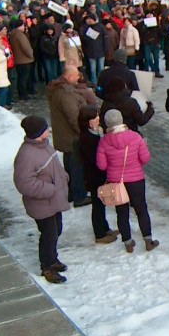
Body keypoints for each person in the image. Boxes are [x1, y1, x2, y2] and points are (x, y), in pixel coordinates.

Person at [13, 116, 70, 284]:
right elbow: (24, 183)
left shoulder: (43, 145)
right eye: (45, 127)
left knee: (56, 229)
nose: (48, 129)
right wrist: (51, 189)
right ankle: (47, 267)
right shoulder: (27, 154)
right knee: (49, 234)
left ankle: (52, 259)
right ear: (39, 132)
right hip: (41, 203)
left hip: (52, 201)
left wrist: (63, 177)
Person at [96, 109, 158, 253]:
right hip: (136, 179)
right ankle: (148, 241)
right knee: (141, 210)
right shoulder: (135, 137)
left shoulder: (104, 141)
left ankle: (128, 243)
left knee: (121, 212)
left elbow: (102, 165)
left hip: (115, 182)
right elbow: (145, 158)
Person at [46, 65, 92, 207]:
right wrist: (83, 132)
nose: (79, 78)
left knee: (71, 167)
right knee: (76, 168)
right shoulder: (65, 94)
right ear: (70, 76)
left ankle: (72, 193)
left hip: (65, 137)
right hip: (72, 137)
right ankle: (79, 196)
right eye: (77, 75)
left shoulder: (58, 89)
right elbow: (73, 117)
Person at [77, 105, 119, 244]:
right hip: (94, 176)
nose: (98, 118)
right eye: (95, 116)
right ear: (89, 120)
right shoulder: (87, 138)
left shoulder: (92, 134)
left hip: (97, 175)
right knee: (98, 205)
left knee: (101, 203)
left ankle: (104, 227)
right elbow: (95, 158)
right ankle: (100, 234)